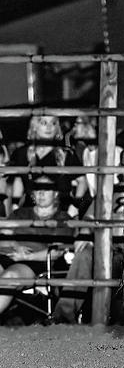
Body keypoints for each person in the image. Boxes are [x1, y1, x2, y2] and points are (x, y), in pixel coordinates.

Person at [0, 177, 75, 318]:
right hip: (8, 254)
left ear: (56, 194)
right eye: (37, 189)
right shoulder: (21, 213)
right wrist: (15, 246)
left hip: (35, 262)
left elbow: (56, 252)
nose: (40, 193)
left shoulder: (62, 218)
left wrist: (27, 256)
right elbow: (3, 237)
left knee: (9, 278)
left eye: (46, 189)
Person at [8, 115, 88, 217]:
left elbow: (82, 182)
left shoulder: (66, 154)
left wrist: (74, 207)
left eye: (53, 123)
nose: (49, 127)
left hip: (61, 214)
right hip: (30, 213)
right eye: (44, 123)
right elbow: (19, 181)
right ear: (35, 126)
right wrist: (15, 205)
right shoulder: (23, 153)